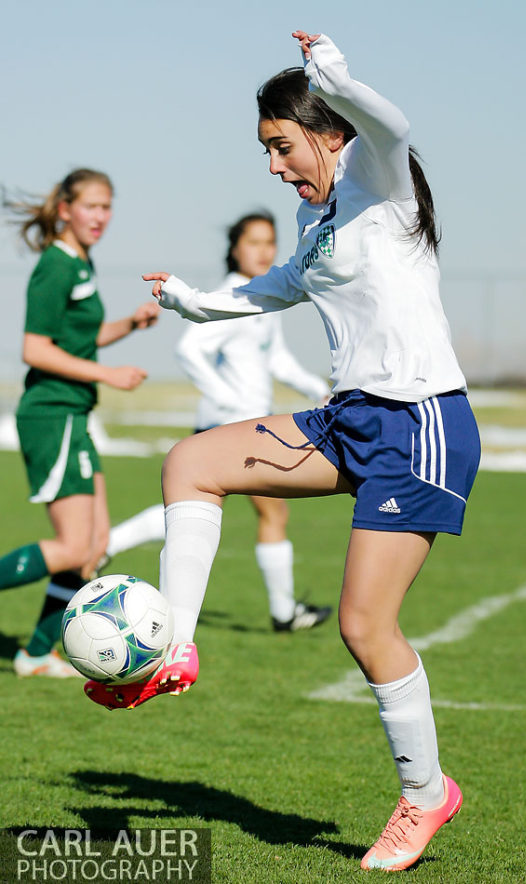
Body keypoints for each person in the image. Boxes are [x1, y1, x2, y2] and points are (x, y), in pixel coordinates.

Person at [85, 32, 481, 873]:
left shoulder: (381, 181)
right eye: (266, 150)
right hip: (349, 421)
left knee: (364, 626)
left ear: (327, 133)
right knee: (190, 463)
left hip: (422, 425)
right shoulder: (315, 217)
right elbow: (277, 289)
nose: (273, 166)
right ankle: (175, 646)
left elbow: (396, 125)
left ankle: (424, 796)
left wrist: (335, 77)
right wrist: (196, 304)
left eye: (280, 145)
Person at [105, 211, 332, 631]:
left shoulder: (258, 295)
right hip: (233, 425)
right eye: (254, 242)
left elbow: (276, 358)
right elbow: (189, 350)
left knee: (203, 510)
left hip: (246, 424)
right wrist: (226, 400)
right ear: (234, 248)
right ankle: (284, 614)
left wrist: (314, 387)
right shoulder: (233, 294)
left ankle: (106, 545)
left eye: (270, 242)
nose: (264, 251)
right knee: (259, 512)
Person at [1, 168, 159, 677]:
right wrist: (107, 374)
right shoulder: (56, 265)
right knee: (72, 544)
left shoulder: (82, 261)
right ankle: (37, 653)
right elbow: (35, 348)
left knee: (92, 547)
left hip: (74, 414)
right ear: (66, 208)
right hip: (51, 414)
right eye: (91, 206)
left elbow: (79, 340)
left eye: (107, 206)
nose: (101, 217)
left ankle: (35, 655)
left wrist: (130, 325)